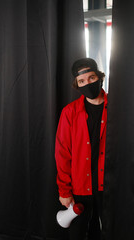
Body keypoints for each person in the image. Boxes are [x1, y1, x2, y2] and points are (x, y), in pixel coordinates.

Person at [55, 58, 107, 240]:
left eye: (92, 78)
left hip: (108, 186)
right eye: (82, 81)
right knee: (78, 234)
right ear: (77, 85)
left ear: (100, 77)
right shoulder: (69, 112)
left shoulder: (117, 108)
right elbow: (62, 154)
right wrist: (64, 191)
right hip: (79, 187)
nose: (88, 83)